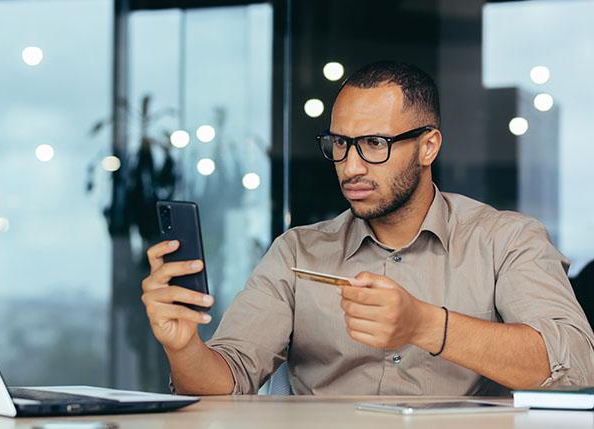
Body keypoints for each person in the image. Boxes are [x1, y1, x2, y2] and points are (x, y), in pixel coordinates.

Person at [141, 61, 594, 396]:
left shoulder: (507, 240)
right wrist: (183, 348)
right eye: (339, 144)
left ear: (428, 146)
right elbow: (226, 385)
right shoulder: (295, 252)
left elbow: (574, 361)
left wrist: (423, 324)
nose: (350, 166)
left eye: (374, 143)